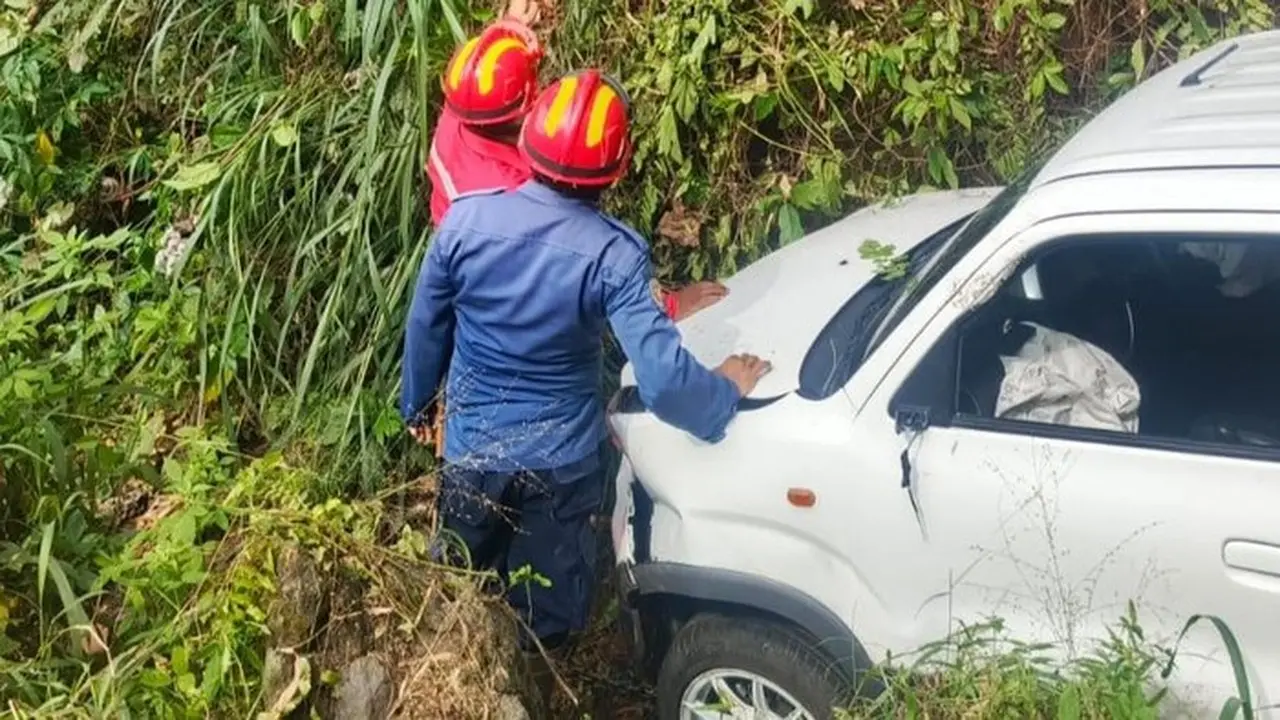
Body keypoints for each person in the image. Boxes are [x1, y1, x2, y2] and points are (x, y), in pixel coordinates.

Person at [400, 69, 771, 710]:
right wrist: (722, 392)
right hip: (560, 465)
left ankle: (456, 691)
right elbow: (661, 379)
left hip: (471, 452)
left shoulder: (465, 223)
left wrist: (417, 405)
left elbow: (426, 325)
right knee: (545, 615)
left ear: (528, 139)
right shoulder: (614, 255)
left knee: (459, 581)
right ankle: (531, 696)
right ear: (616, 169)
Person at [426, 17, 725, 322]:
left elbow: (486, 72)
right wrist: (667, 307)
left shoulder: (467, 102)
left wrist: (514, 23)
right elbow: (584, 255)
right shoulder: (512, 199)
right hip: (502, 279)